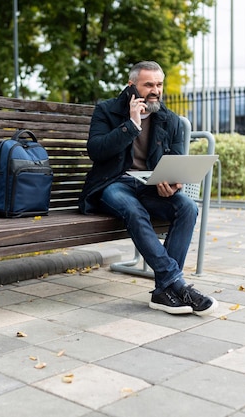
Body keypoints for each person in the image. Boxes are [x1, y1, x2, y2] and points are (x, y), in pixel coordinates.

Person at [78, 61, 218, 316]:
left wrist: (173, 184)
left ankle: (164, 291)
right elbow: (96, 151)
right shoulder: (107, 111)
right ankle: (175, 284)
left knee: (187, 207)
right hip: (113, 184)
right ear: (132, 86)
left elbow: (175, 161)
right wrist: (131, 125)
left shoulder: (169, 119)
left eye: (159, 84)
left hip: (149, 186)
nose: (155, 91)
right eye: (148, 85)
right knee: (134, 210)